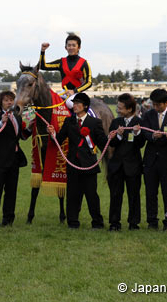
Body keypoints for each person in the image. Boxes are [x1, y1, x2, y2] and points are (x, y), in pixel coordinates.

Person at [47, 93, 106, 229]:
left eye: (78, 103)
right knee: (73, 195)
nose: (74, 106)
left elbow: (102, 141)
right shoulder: (69, 121)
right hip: (73, 163)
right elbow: (59, 139)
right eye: (74, 103)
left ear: (85, 106)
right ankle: (72, 222)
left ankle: (97, 222)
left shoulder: (94, 122)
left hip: (89, 164)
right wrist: (52, 134)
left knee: (91, 195)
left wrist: (113, 137)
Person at [141, 88, 167, 231]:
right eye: (154, 104)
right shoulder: (148, 115)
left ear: (166, 103)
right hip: (150, 160)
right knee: (150, 192)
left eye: (158, 105)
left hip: (166, 160)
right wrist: (152, 136)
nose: (155, 107)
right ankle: (152, 221)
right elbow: (144, 132)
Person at [0, 91, 28, 227]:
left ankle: (8, 219)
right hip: (0, 160)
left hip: (14, 159)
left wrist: (30, 128)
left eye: (11, 100)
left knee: (11, 192)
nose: (9, 102)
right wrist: (1, 122)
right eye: (6, 100)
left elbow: (20, 136)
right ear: (1, 103)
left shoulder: (17, 117)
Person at [107, 93, 144, 231]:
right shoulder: (116, 122)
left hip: (133, 166)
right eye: (118, 107)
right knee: (115, 194)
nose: (118, 110)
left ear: (129, 109)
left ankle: (134, 223)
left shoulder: (140, 123)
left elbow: (141, 144)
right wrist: (118, 134)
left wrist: (137, 134)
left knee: (133, 195)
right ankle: (114, 222)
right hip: (117, 165)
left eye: (121, 108)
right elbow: (112, 143)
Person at [39, 34, 92, 110]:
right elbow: (43, 66)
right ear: (65, 47)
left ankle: (81, 120)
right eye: (69, 45)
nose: (71, 47)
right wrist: (43, 51)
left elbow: (89, 82)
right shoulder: (61, 62)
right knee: (49, 102)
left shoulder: (84, 63)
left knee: (70, 103)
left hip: (77, 93)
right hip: (64, 92)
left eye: (73, 45)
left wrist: (74, 91)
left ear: (79, 47)